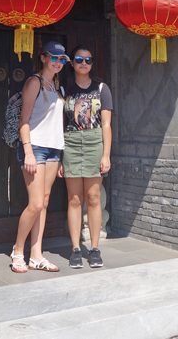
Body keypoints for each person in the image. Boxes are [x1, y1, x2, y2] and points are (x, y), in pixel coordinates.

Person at [10, 41, 69, 273]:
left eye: (62, 59)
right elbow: (23, 121)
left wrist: (60, 154)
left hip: (54, 149)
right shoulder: (35, 82)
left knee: (44, 202)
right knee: (34, 204)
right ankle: (17, 250)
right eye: (53, 57)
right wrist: (28, 152)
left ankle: (36, 255)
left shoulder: (56, 86)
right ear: (43, 58)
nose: (58, 62)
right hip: (35, 147)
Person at [59, 45, 113, 268]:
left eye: (88, 60)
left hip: (94, 143)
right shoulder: (64, 89)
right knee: (74, 199)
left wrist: (106, 154)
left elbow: (107, 124)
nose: (83, 63)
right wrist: (60, 154)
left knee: (93, 198)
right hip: (70, 142)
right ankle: (74, 249)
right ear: (71, 62)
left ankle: (94, 248)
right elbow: (58, 123)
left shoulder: (101, 88)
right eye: (79, 59)